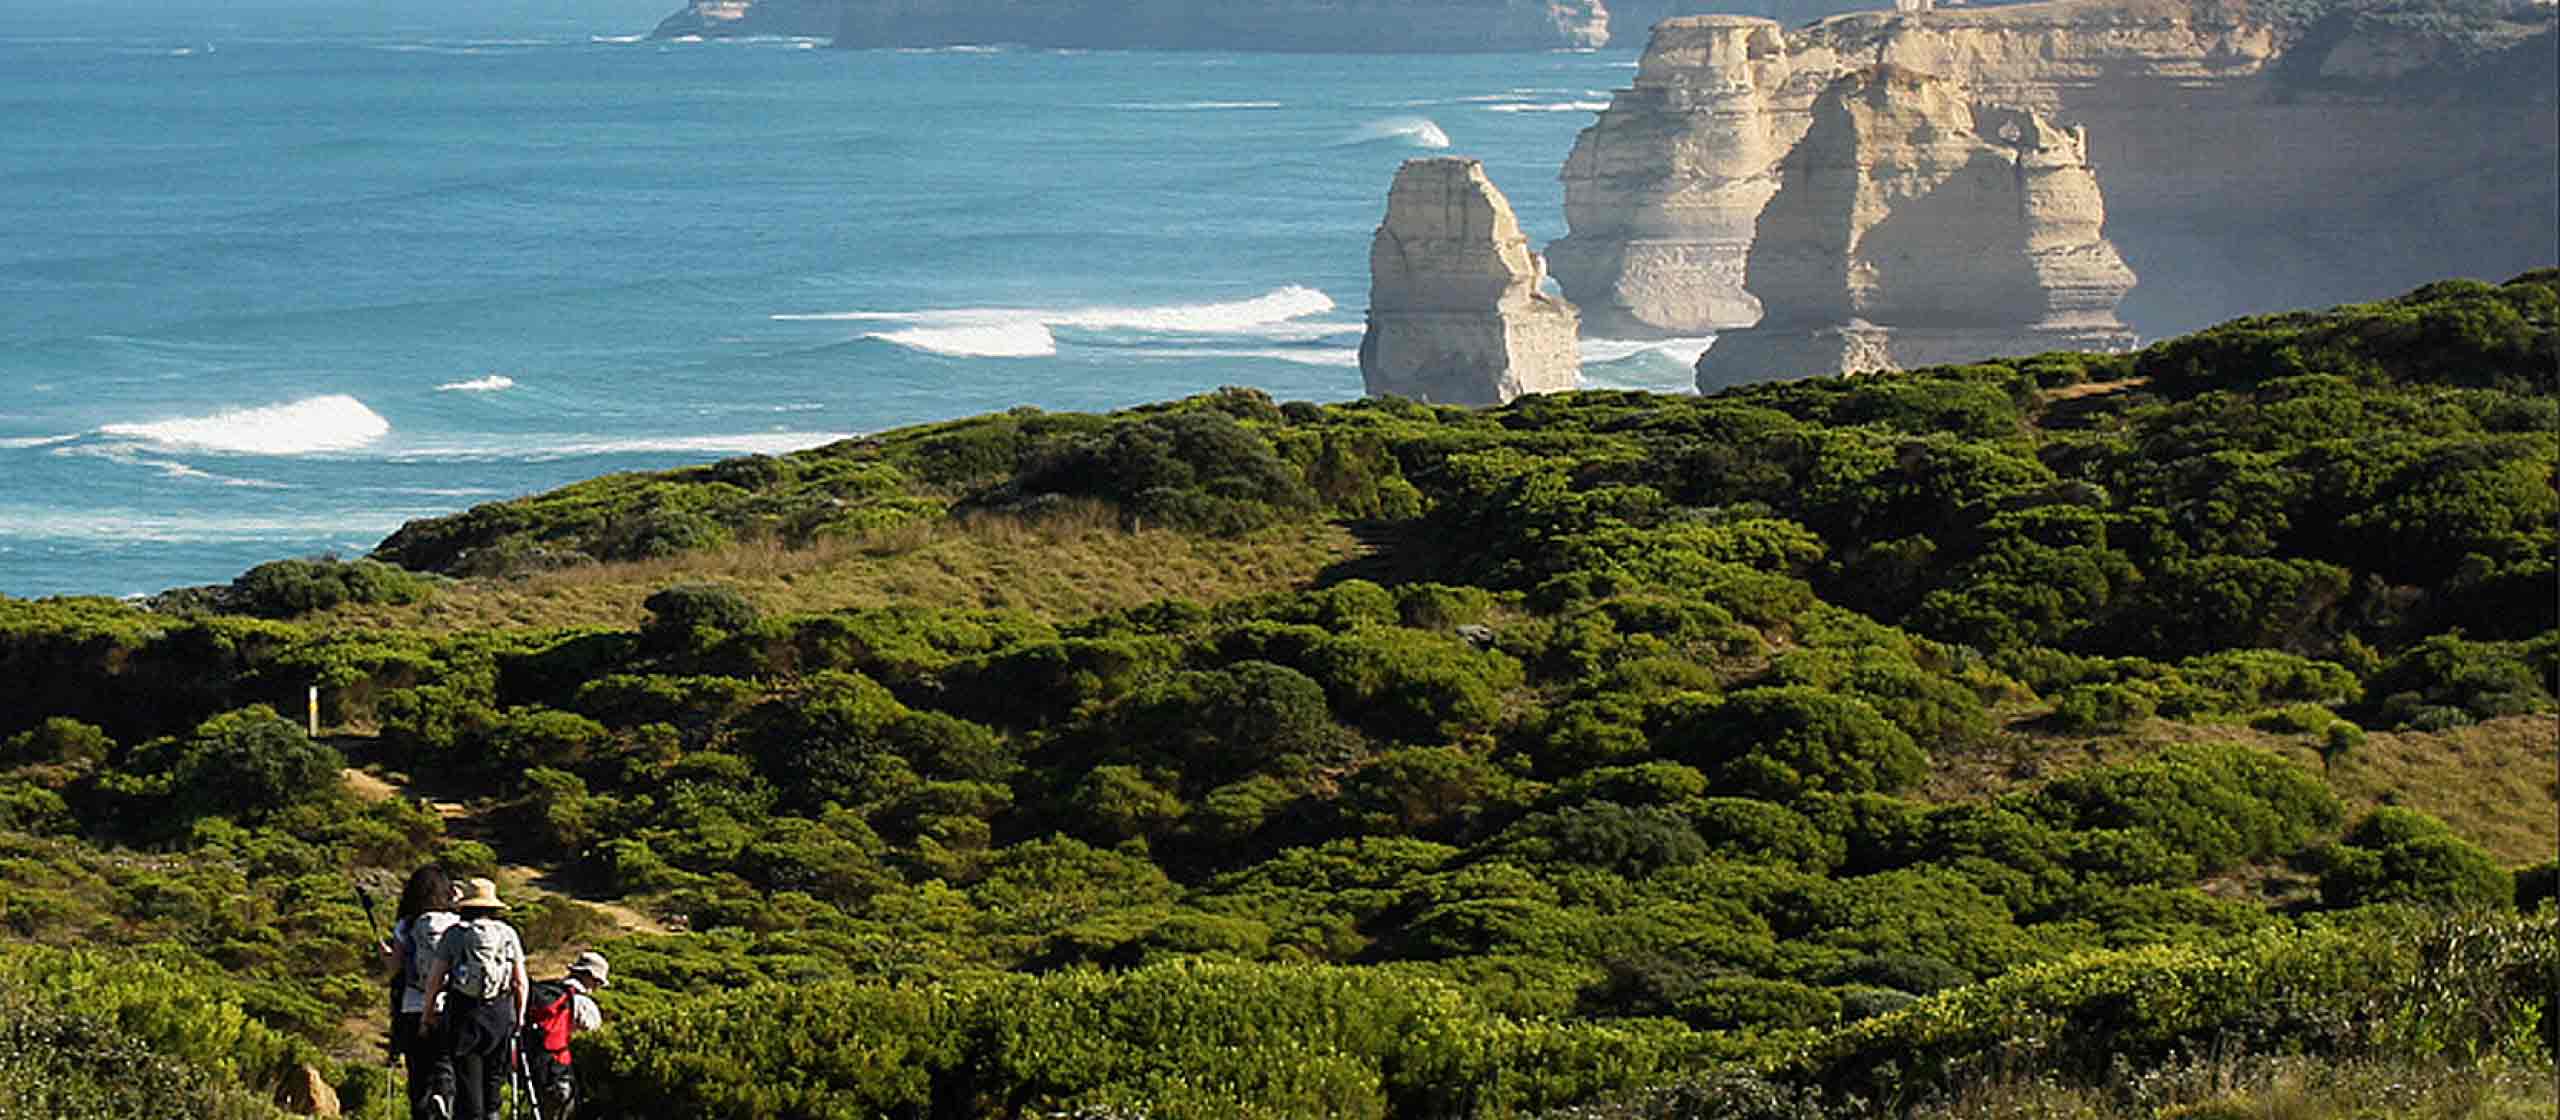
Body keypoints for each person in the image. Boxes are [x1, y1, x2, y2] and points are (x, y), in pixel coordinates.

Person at [421, 878, 527, 1120]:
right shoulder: (508, 934)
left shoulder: (454, 935)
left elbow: (435, 979)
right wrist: (518, 1016)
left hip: (464, 1014)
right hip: (499, 1013)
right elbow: (520, 981)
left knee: (468, 1085)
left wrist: (427, 1015)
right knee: (493, 1083)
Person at [384, 867, 462, 1120]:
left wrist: (386, 956)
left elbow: (394, 969)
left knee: (418, 1074)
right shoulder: (457, 924)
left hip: (413, 1006)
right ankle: (445, 1095)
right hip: (449, 1006)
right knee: (445, 1063)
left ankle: (424, 1111)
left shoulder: (406, 925)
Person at [520, 950, 610, 1120]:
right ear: (591, 977)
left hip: (531, 1065)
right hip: (559, 1071)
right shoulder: (584, 1004)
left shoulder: (547, 992)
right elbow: (594, 1037)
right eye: (598, 982)